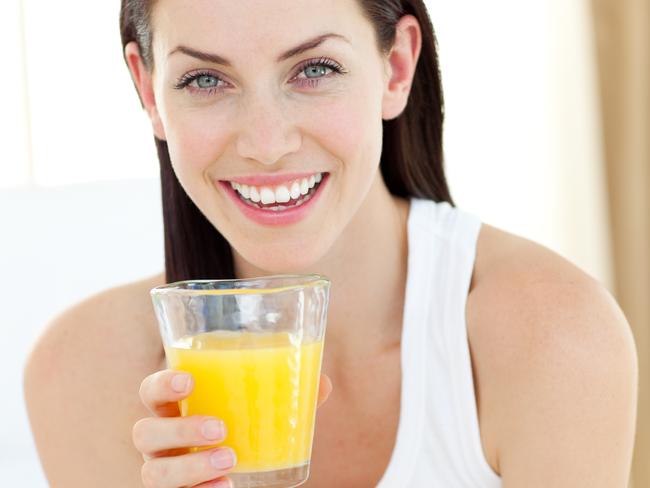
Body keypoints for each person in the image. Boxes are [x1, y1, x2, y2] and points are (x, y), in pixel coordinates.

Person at [23, 0, 638, 487]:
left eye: (315, 69)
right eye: (205, 79)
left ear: (395, 68)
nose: (266, 142)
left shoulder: (550, 337)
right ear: (149, 91)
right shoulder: (82, 375)